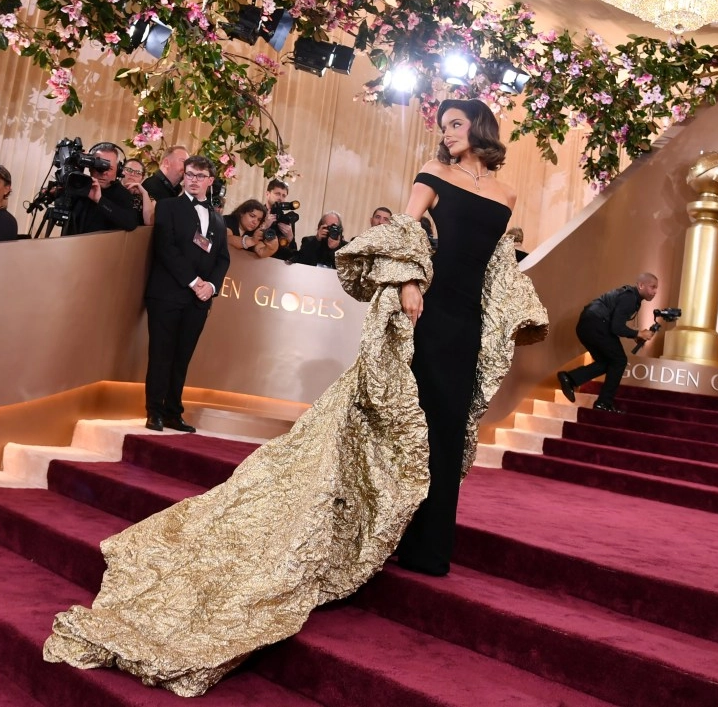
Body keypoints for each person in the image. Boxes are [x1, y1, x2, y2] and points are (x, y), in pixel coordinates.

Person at [44, 99, 547, 695]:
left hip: (467, 322)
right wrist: (410, 281)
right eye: (444, 126)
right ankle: (369, 528)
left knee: (443, 426)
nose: (448, 134)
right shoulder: (431, 177)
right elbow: (405, 232)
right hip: (425, 309)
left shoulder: (509, 193)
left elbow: (495, 267)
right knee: (399, 421)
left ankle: (428, 547)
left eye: (458, 125)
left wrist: (512, 316)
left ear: (480, 129)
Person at [142, 155, 230, 433]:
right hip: (167, 295)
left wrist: (211, 287)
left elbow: (223, 259)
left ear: (210, 181)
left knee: (182, 357)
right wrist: (194, 282)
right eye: (189, 174)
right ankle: (154, 411)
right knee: (161, 354)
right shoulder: (168, 207)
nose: (193, 180)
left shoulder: (217, 218)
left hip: (198, 301)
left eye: (199, 176)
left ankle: (173, 412)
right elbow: (166, 249)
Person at [557, 273, 659, 412]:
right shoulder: (630, 297)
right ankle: (604, 402)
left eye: (656, 288)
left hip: (586, 326)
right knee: (619, 360)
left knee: (606, 362)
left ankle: (570, 378)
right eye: (652, 287)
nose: (655, 291)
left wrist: (634, 335)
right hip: (596, 324)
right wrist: (638, 333)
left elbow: (615, 324)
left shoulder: (629, 296)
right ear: (641, 285)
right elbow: (616, 327)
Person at [65, 143, 143, 235]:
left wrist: (100, 200)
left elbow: (130, 224)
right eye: (99, 166)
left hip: (100, 248)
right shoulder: (79, 185)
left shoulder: (123, 194)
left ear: (118, 170)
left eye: (109, 168)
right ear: (90, 167)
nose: (103, 173)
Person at [263, 179, 297, 260]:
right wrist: (264, 226)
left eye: (283, 195)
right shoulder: (258, 213)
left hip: (278, 265)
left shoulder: (286, 219)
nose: (280, 198)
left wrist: (291, 238)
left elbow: (293, 253)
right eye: (277, 194)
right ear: (267, 194)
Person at [120, 157, 155, 226]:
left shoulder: (147, 198)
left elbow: (149, 222)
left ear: (142, 178)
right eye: (129, 170)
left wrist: (144, 194)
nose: (132, 174)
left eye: (138, 172)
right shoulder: (112, 190)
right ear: (121, 171)